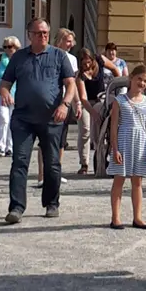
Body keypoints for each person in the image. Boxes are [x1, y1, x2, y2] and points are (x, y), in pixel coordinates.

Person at [0, 18, 76, 224]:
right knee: (19, 162)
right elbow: (5, 82)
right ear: (29, 35)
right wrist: (5, 93)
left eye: (45, 33)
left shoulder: (59, 56)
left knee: (52, 164)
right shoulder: (19, 57)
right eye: (38, 33)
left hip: (52, 118)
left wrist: (65, 105)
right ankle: (16, 207)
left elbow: (70, 84)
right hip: (23, 118)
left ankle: (52, 203)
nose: (42, 36)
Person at [108, 64, 146, 229]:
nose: (142, 83)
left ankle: (137, 217)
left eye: (145, 81)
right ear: (131, 79)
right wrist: (115, 149)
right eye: (139, 79)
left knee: (137, 182)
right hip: (123, 141)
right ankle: (116, 218)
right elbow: (114, 127)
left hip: (141, 143)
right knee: (119, 180)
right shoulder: (119, 101)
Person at [37, 29, 82, 187]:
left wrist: (77, 102)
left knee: (61, 140)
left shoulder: (72, 59)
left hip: (65, 101)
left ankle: (56, 172)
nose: (71, 44)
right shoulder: (49, 54)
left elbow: (73, 84)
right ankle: (42, 175)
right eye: (68, 41)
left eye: (72, 41)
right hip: (49, 101)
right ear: (60, 40)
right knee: (45, 139)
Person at [77, 48, 120, 174]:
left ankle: (105, 152)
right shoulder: (80, 75)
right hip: (87, 102)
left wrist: (118, 86)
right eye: (84, 64)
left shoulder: (100, 60)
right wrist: (93, 113)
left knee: (106, 125)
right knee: (85, 129)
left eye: (89, 62)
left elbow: (115, 69)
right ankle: (84, 163)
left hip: (102, 98)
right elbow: (83, 98)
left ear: (93, 59)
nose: (87, 65)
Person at [0, 36, 20, 157]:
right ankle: (1, 147)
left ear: (16, 47)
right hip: (1, 95)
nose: (7, 49)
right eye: (4, 47)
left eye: (9, 47)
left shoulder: (20, 60)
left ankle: (10, 147)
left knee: (12, 121)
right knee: (4, 119)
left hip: (16, 95)